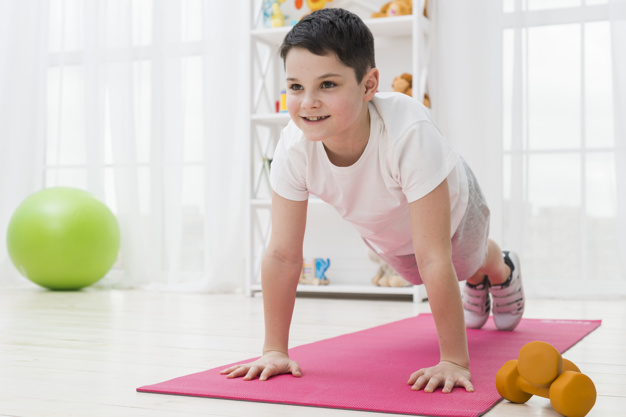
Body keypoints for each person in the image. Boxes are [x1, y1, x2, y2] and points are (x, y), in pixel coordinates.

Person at [221, 8, 525, 393]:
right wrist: (274, 350)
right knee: (418, 272)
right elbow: (282, 254)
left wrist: (453, 361)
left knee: (465, 259)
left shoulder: (407, 130)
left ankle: (500, 268)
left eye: (327, 84)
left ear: (368, 86)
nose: (308, 102)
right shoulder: (294, 146)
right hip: (389, 231)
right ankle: (477, 279)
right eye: (296, 87)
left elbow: (435, 254)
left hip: (455, 210)